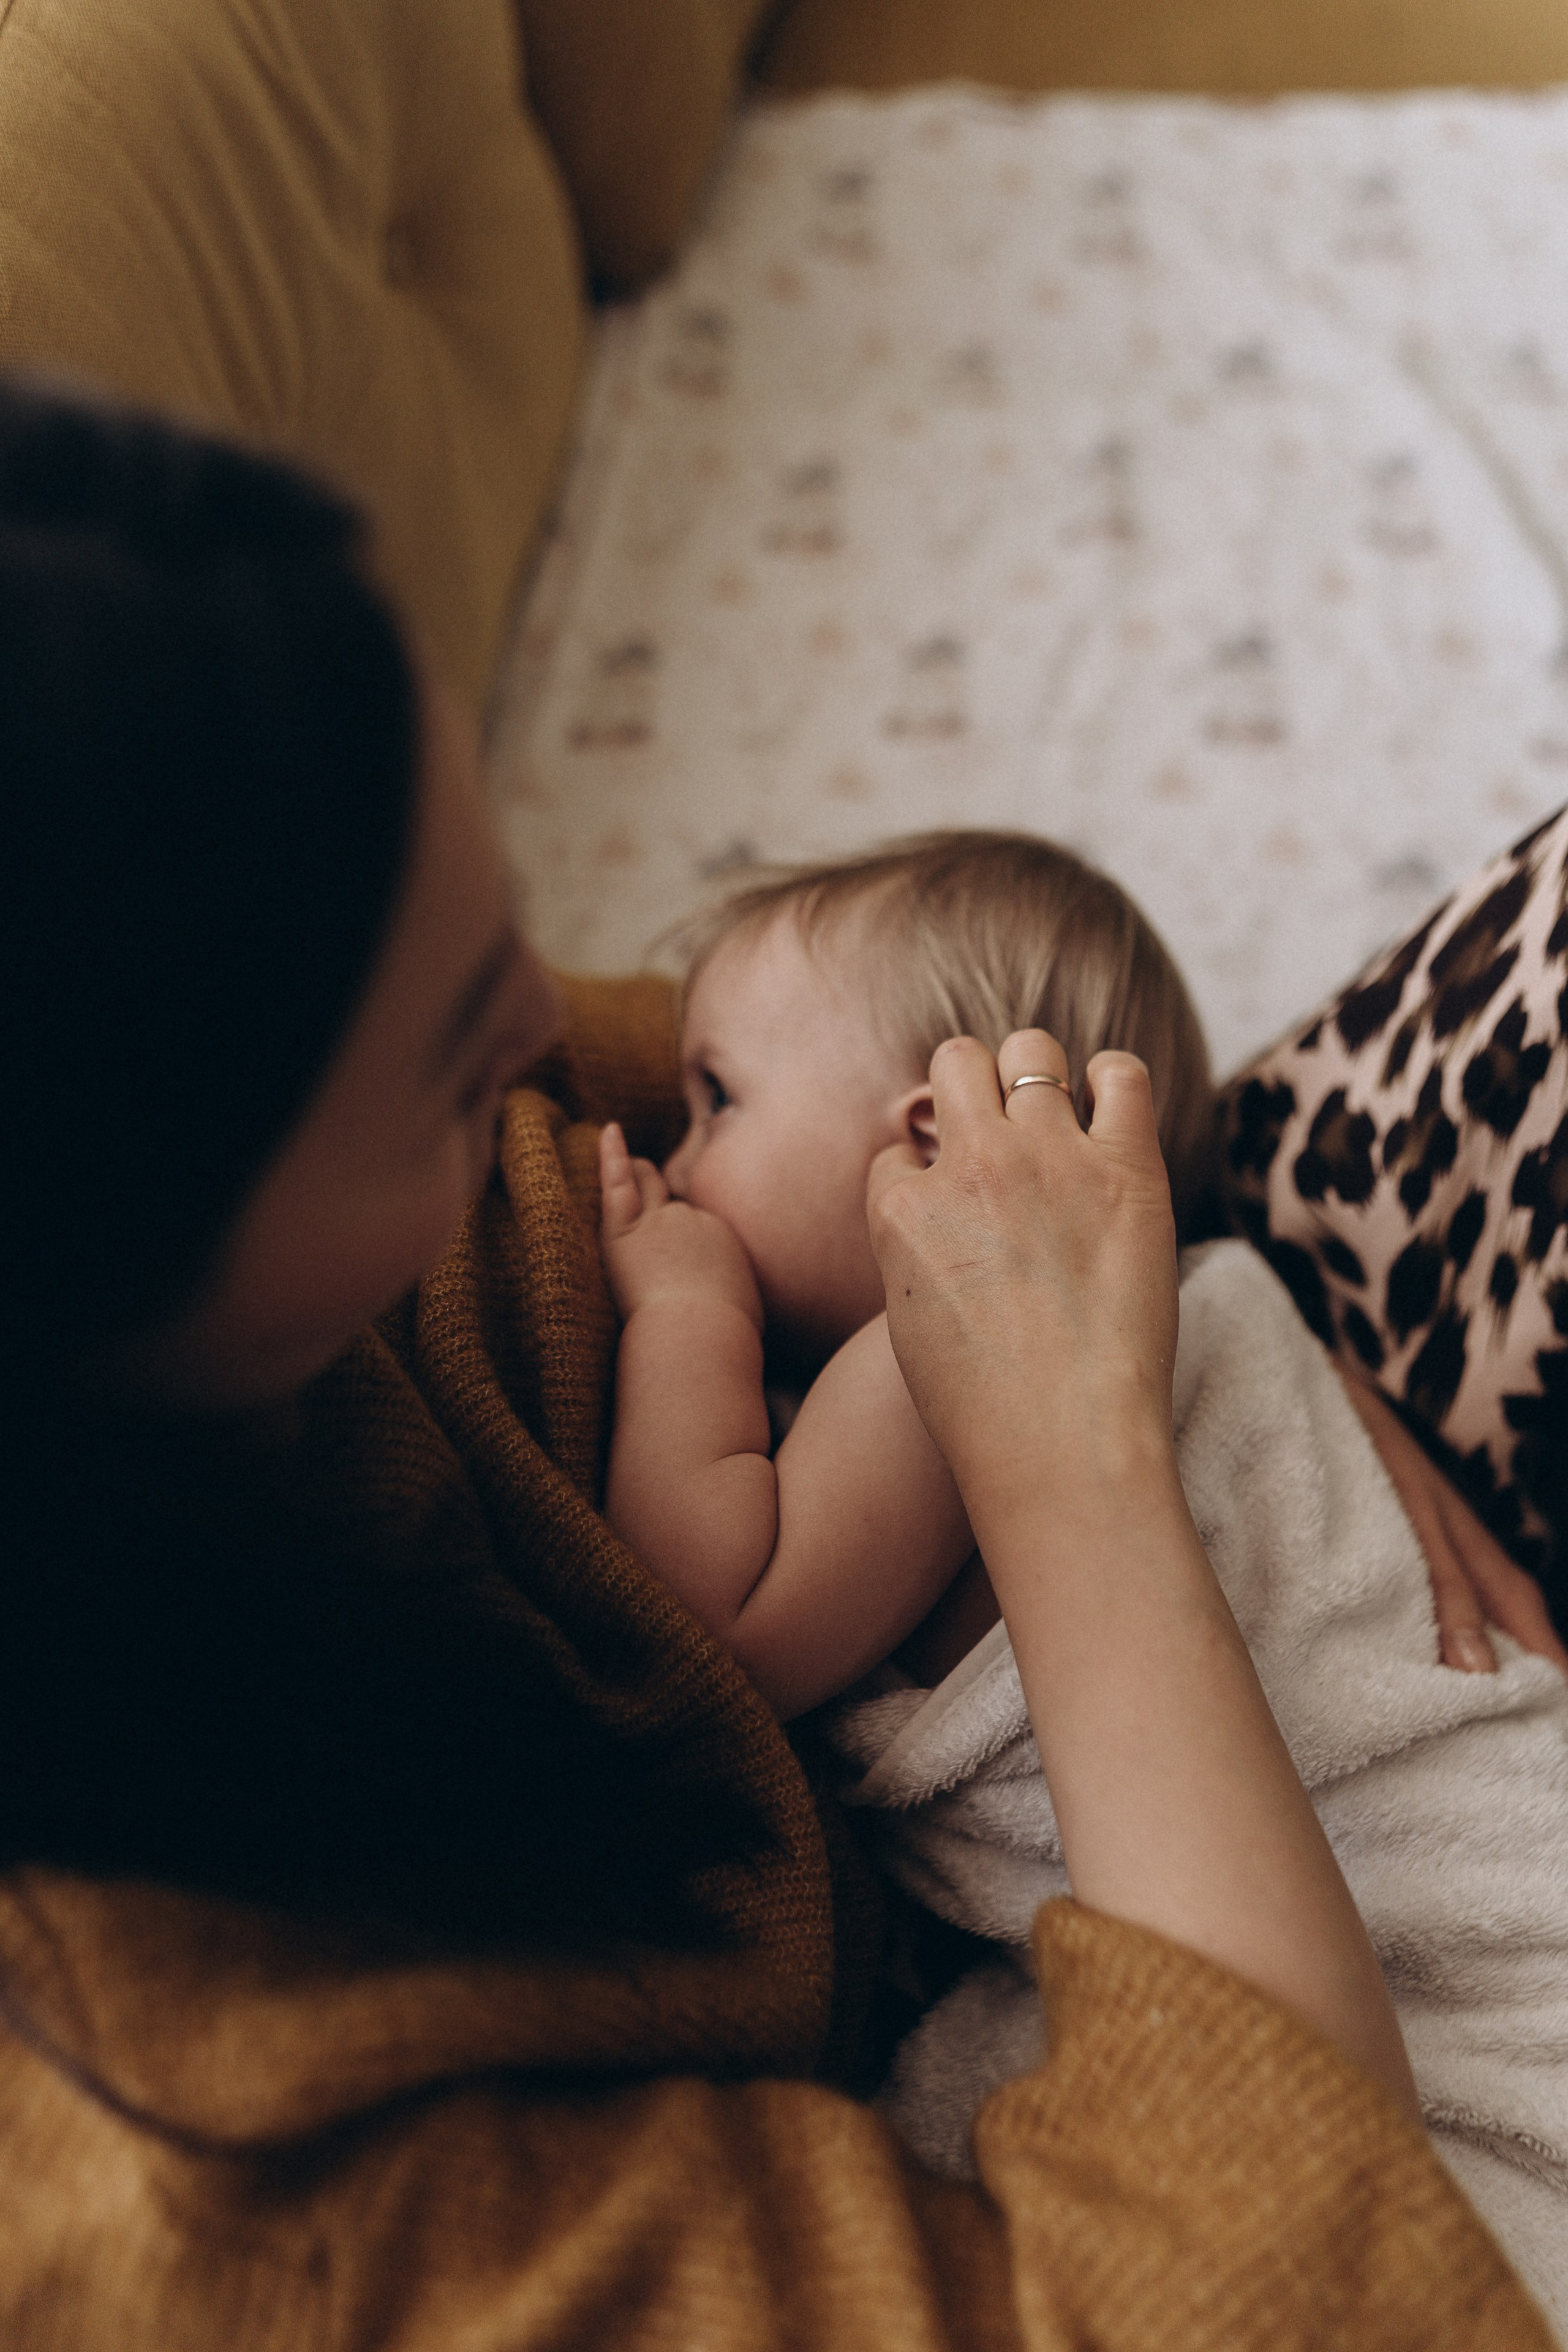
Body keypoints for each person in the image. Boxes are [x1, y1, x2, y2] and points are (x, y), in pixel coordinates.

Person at [0, 376, 1553, 2350]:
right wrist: (1084, 1461)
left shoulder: (217, 980)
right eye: (461, 1080)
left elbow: (788, 1048)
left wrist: (1270, 1347)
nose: (577, 1092)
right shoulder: (232, 2189)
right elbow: (1305, 2305)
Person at [597, 834, 1568, 2318]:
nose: (671, 1161)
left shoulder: (925, 1365)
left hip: (1446, 2062)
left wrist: (679, 1308)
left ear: (925, 1141)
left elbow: (709, 1621)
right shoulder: (1220, 1291)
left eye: (714, 1099)